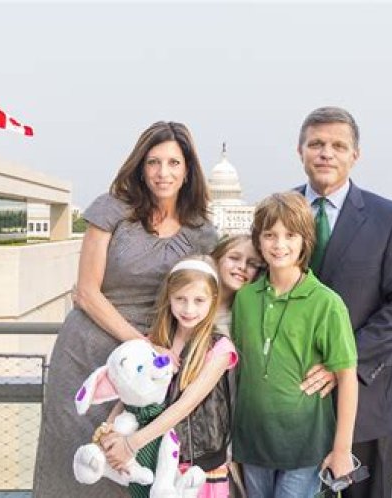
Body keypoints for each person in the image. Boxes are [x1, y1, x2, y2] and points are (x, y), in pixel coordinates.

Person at [33, 122, 218, 498]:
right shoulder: (112, 209)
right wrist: (144, 347)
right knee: (74, 462)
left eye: (173, 163)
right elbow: (87, 292)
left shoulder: (203, 232)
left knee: (136, 467)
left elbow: (208, 299)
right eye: (153, 162)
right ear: (140, 166)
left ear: (187, 171)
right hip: (88, 354)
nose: (163, 172)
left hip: (153, 369)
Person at [296, 106, 392, 498]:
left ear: (355, 155)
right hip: (291, 397)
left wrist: (342, 364)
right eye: (316, 144)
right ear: (300, 151)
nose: (326, 153)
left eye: (338, 146)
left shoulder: (391, 218)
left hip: (367, 401)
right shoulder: (277, 211)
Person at [231, 192, 359, 498]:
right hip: (252, 443)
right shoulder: (245, 298)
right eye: (270, 235)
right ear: (258, 240)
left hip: (304, 448)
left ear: (305, 241)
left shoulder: (326, 303)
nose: (279, 244)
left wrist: (342, 450)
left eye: (290, 235)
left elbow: (347, 379)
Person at [101, 256, 238, 498]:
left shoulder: (219, 349)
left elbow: (184, 406)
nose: (189, 309)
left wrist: (131, 444)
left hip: (197, 469)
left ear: (213, 300)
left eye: (199, 300)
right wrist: (110, 431)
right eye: (180, 299)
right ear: (169, 298)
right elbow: (131, 391)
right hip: (153, 462)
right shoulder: (154, 342)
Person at [210, 234, 263, 498]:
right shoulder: (191, 305)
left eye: (252, 264)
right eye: (234, 258)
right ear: (216, 259)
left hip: (229, 419)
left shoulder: (247, 314)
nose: (242, 267)